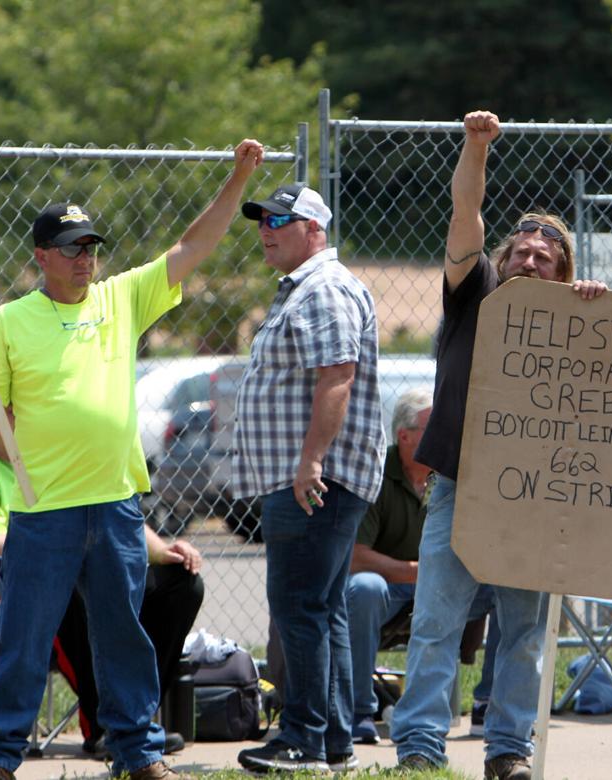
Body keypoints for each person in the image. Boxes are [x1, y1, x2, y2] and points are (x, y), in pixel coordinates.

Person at [0, 138, 265, 780]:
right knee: (22, 637)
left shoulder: (119, 298)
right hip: (44, 512)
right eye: (71, 249)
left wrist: (237, 179)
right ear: (41, 257)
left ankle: (138, 753)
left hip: (118, 504)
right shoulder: (11, 322)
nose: (85, 259)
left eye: (92, 247)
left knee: (124, 635)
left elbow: (191, 249)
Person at [390, 110, 606, 780]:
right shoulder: (474, 291)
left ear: (561, 271)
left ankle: (508, 753)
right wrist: (475, 149)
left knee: (526, 631)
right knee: (436, 622)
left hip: (538, 498)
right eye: (521, 250)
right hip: (462, 485)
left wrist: (594, 307)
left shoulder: (577, 318)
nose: (529, 258)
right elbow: (466, 212)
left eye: (545, 257)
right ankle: (421, 751)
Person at [231, 183, 386, 774]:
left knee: (297, 605)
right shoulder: (308, 287)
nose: (266, 229)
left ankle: (302, 738)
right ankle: (334, 741)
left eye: (279, 219)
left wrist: (312, 460)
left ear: (314, 228)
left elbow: (337, 375)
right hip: (313, 476)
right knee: (323, 608)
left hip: (316, 478)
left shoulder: (322, 288)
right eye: (262, 219)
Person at [0, 435, 204, 757]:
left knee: (181, 584)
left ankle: (134, 718)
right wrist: (68, 547)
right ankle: (101, 728)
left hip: (66, 565)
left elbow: (106, 514)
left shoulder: (61, 452)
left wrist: (163, 550)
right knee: (68, 581)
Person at [343, 387, 496, 743]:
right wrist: (417, 572)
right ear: (405, 436)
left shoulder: (452, 476)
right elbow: (355, 556)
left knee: (502, 586)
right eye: (435, 427)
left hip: (443, 587)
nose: (447, 436)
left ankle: (489, 704)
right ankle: (359, 712)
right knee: (365, 588)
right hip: (390, 592)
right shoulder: (377, 475)